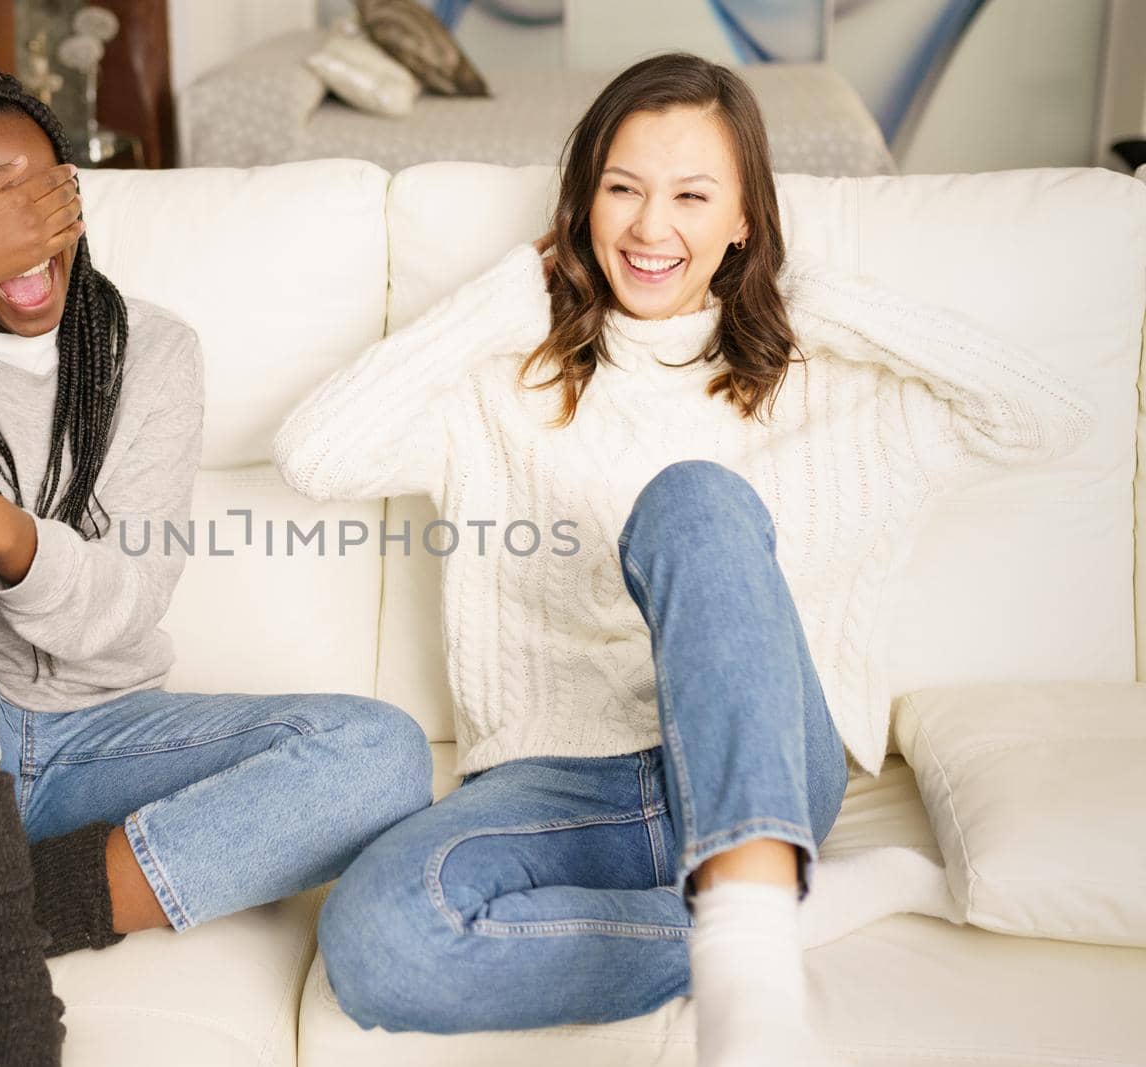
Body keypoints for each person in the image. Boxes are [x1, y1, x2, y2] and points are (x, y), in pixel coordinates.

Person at [273, 52, 1093, 1066]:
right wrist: (502, 300)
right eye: (621, 189)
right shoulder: (502, 382)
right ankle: (783, 905)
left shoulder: (826, 380)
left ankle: (751, 966)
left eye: (692, 196)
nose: (650, 228)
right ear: (582, 203)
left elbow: (1050, 419)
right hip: (560, 781)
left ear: (744, 218)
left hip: (765, 767)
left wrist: (821, 303)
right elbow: (311, 455)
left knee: (692, 498)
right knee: (376, 940)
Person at [0, 66, 432, 1066]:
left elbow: (129, 604)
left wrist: (1, 531)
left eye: (38, 197)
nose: (20, 236)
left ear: (73, 193)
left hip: (88, 742)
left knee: (385, 755)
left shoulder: (151, 352)